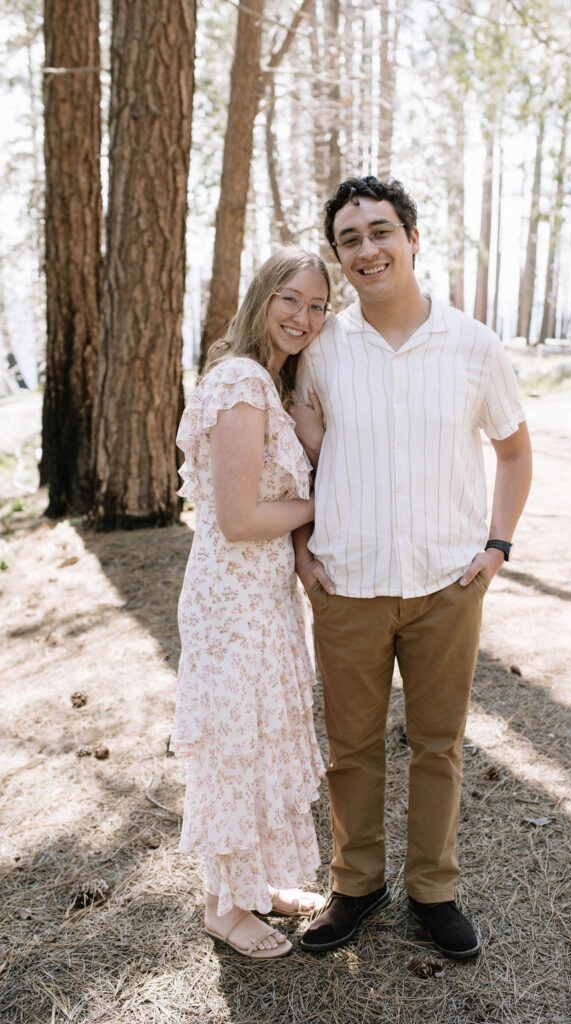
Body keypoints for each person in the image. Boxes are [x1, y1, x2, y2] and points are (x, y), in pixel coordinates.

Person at [290, 177, 532, 960]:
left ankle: (434, 890)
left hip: (445, 586)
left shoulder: (472, 345)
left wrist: (496, 547)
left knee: (438, 745)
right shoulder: (321, 349)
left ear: (413, 238)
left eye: (379, 231)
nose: (367, 249)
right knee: (350, 747)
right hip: (348, 583)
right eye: (350, 239)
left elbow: (514, 451)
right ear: (340, 256)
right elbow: (294, 462)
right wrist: (299, 548)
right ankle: (355, 885)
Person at [171, 248, 332, 960]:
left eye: (317, 305)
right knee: (236, 747)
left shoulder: (268, 382)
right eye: (290, 299)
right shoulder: (239, 381)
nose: (303, 316)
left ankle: (256, 885)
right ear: (263, 297)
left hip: (259, 594)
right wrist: (324, 504)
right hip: (231, 600)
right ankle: (221, 908)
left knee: (263, 740)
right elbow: (237, 518)